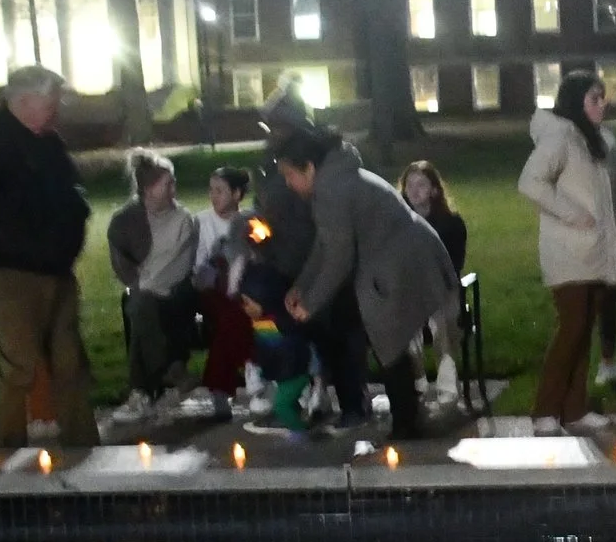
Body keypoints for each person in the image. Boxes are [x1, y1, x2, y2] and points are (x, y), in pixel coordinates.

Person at [0, 65, 97, 450]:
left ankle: (83, 445)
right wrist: (0, 250)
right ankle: (8, 447)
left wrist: (71, 225)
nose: (57, 110)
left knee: (70, 363)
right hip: (10, 272)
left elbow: (71, 194)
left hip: (58, 270)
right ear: (24, 101)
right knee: (20, 364)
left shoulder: (50, 145)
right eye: (51, 102)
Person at [278, 130, 459, 444]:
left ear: (309, 168)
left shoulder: (331, 191)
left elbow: (338, 257)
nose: (288, 183)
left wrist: (310, 302)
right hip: (404, 257)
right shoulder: (337, 180)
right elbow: (326, 245)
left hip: (400, 263)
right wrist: (303, 285)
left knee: (388, 339)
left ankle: (405, 426)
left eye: (290, 174)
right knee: (389, 342)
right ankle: (406, 419)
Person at [518, 70, 616, 432]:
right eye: (594, 99)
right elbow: (530, 182)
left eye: (603, 97)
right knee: (572, 328)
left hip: (593, 253)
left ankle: (574, 408)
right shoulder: (561, 136)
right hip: (569, 254)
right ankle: (545, 411)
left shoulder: (590, 139)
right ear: (576, 101)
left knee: (582, 330)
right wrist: (571, 214)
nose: (602, 104)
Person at [256, 83, 370, 425]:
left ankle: (350, 398)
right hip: (285, 260)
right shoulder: (268, 162)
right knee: (279, 324)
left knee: (340, 330)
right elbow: (262, 211)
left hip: (322, 258)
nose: (270, 132)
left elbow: (329, 223)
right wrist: (259, 236)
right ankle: (295, 386)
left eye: (276, 125)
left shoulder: (314, 157)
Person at [105, 148, 200, 423]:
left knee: (140, 306)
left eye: (173, 182)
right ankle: (170, 368)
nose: (174, 188)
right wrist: (140, 285)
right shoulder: (126, 221)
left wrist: (146, 287)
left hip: (178, 292)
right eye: (167, 183)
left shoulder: (183, 220)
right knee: (140, 305)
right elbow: (122, 265)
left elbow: (179, 265)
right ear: (148, 188)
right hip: (144, 291)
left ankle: (141, 393)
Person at [190, 164, 256, 422]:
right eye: (211, 190)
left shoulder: (251, 221)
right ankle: (252, 365)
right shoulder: (202, 222)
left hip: (246, 288)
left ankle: (222, 385)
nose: (213, 195)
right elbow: (198, 268)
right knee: (233, 316)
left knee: (256, 314)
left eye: (220, 190)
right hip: (211, 288)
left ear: (237, 194)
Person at [398, 161, 468, 404]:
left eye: (421, 185)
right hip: (410, 294)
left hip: (442, 291)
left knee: (439, 315)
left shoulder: (451, 224)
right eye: (410, 185)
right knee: (402, 319)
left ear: (434, 190)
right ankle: (417, 383)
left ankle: (447, 385)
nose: (414, 191)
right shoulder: (398, 224)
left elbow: (453, 266)